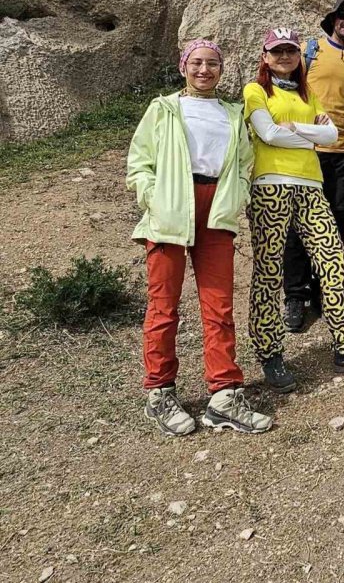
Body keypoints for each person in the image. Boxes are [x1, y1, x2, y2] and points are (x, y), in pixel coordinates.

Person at [127, 39, 272, 436]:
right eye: (197, 63)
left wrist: (238, 192)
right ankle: (159, 391)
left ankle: (224, 395)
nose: (204, 70)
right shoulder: (164, 109)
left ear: (221, 70)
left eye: (212, 64)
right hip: (171, 209)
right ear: (183, 67)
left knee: (219, 306)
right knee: (163, 306)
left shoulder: (232, 113)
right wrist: (153, 196)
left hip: (216, 211)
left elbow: (245, 163)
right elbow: (139, 161)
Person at [244, 28, 344, 393]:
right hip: (271, 186)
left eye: (290, 50)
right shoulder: (255, 91)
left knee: (333, 264)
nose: (285, 56)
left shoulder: (308, 94)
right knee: (268, 273)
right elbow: (268, 134)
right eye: (277, 51)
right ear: (265, 56)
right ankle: (270, 352)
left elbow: (333, 136)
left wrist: (293, 128)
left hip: (311, 187)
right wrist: (305, 133)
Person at [282, 0, 344, 333]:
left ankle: (324, 290)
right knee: (297, 222)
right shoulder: (310, 51)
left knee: (336, 222)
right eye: (343, 16)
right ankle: (295, 295)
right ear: (334, 20)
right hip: (309, 150)